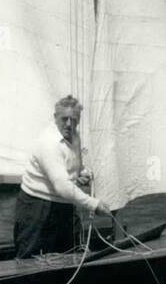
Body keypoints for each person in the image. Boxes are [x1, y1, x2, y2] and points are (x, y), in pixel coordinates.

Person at [13, 96, 113, 258]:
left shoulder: (75, 136)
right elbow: (63, 186)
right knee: (30, 258)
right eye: (64, 119)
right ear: (55, 117)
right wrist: (94, 204)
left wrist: (81, 174)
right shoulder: (49, 143)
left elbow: (74, 166)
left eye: (73, 120)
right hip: (38, 207)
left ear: (78, 119)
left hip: (64, 206)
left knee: (66, 255)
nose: (68, 124)